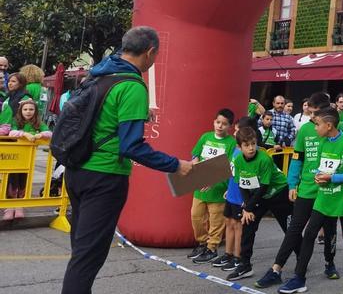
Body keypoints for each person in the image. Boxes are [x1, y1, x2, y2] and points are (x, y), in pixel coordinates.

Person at [61, 26, 194, 294]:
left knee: (81, 251)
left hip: (77, 171)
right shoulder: (132, 87)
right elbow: (132, 146)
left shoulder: (100, 74)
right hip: (105, 177)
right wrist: (176, 165)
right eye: (155, 56)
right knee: (87, 259)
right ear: (150, 52)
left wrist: (139, 115)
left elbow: (101, 119)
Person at [254, 92, 338, 289]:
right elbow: (297, 159)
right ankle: (276, 269)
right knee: (294, 229)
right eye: (310, 113)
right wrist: (293, 184)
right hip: (306, 189)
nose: (312, 117)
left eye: (316, 113)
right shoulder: (306, 131)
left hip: (328, 190)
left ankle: (329, 262)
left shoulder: (335, 130)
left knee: (330, 230)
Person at [278, 106, 343, 293]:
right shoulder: (323, 142)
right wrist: (318, 176)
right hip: (323, 198)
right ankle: (299, 278)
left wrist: (332, 178)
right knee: (309, 235)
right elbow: (322, 168)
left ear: (329, 125)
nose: (315, 128)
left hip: (342, 199)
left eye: (318, 124)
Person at [225, 125, 292, 282]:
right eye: (246, 145)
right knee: (248, 224)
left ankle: (302, 258)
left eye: (253, 144)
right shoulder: (238, 159)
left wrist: (248, 206)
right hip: (258, 195)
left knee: (289, 229)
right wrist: (248, 209)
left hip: (278, 192)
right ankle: (245, 265)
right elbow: (243, 184)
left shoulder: (264, 158)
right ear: (239, 147)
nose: (251, 148)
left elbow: (264, 187)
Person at [188, 108, 237, 264]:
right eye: (218, 122)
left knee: (216, 220)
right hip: (200, 187)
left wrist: (211, 180)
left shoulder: (232, 143)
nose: (220, 126)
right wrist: (198, 174)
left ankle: (212, 248)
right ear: (213, 122)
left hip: (218, 189)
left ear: (230, 126)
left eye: (224, 124)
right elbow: (195, 155)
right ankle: (202, 243)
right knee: (196, 216)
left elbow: (229, 167)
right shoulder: (205, 137)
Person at [212, 117, 252, 272]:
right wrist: (229, 189)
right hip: (231, 194)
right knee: (228, 223)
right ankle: (228, 254)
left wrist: (246, 200)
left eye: (237, 130)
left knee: (238, 226)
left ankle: (238, 257)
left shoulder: (247, 155)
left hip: (241, 198)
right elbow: (232, 173)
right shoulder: (235, 150)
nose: (234, 133)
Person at [2, 99, 52, 220]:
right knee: (12, 179)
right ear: (21, 111)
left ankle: (20, 205)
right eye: (25, 109)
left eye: (31, 109)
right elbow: (11, 132)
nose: (28, 112)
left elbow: (49, 132)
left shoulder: (37, 123)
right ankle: (9, 206)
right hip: (14, 156)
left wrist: (41, 135)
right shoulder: (16, 121)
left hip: (28, 158)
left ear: (35, 111)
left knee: (23, 180)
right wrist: (24, 134)